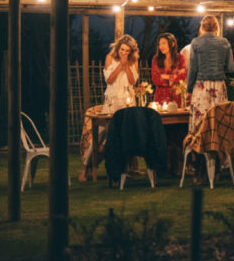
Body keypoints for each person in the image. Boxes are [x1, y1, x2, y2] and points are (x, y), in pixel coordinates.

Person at [79, 34, 139, 182]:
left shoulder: (133, 61)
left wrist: (127, 66)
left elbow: (132, 82)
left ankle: (127, 168)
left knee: (127, 136)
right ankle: (86, 169)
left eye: (127, 51)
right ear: (118, 48)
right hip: (111, 102)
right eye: (122, 50)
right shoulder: (109, 58)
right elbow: (109, 80)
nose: (124, 53)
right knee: (98, 135)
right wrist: (120, 65)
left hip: (128, 103)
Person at [187, 15, 234, 135]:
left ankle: (199, 150)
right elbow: (231, 68)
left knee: (201, 124)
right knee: (219, 123)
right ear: (216, 28)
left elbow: (192, 69)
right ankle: (217, 150)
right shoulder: (224, 42)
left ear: (202, 27)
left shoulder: (196, 42)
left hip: (201, 87)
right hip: (219, 87)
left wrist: (188, 89)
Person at [151, 32, 187, 106]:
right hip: (160, 96)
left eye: (163, 43)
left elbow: (183, 76)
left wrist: (165, 76)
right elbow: (155, 79)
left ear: (172, 44)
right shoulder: (156, 59)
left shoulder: (180, 58)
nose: (161, 46)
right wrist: (174, 77)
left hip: (176, 96)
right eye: (159, 44)